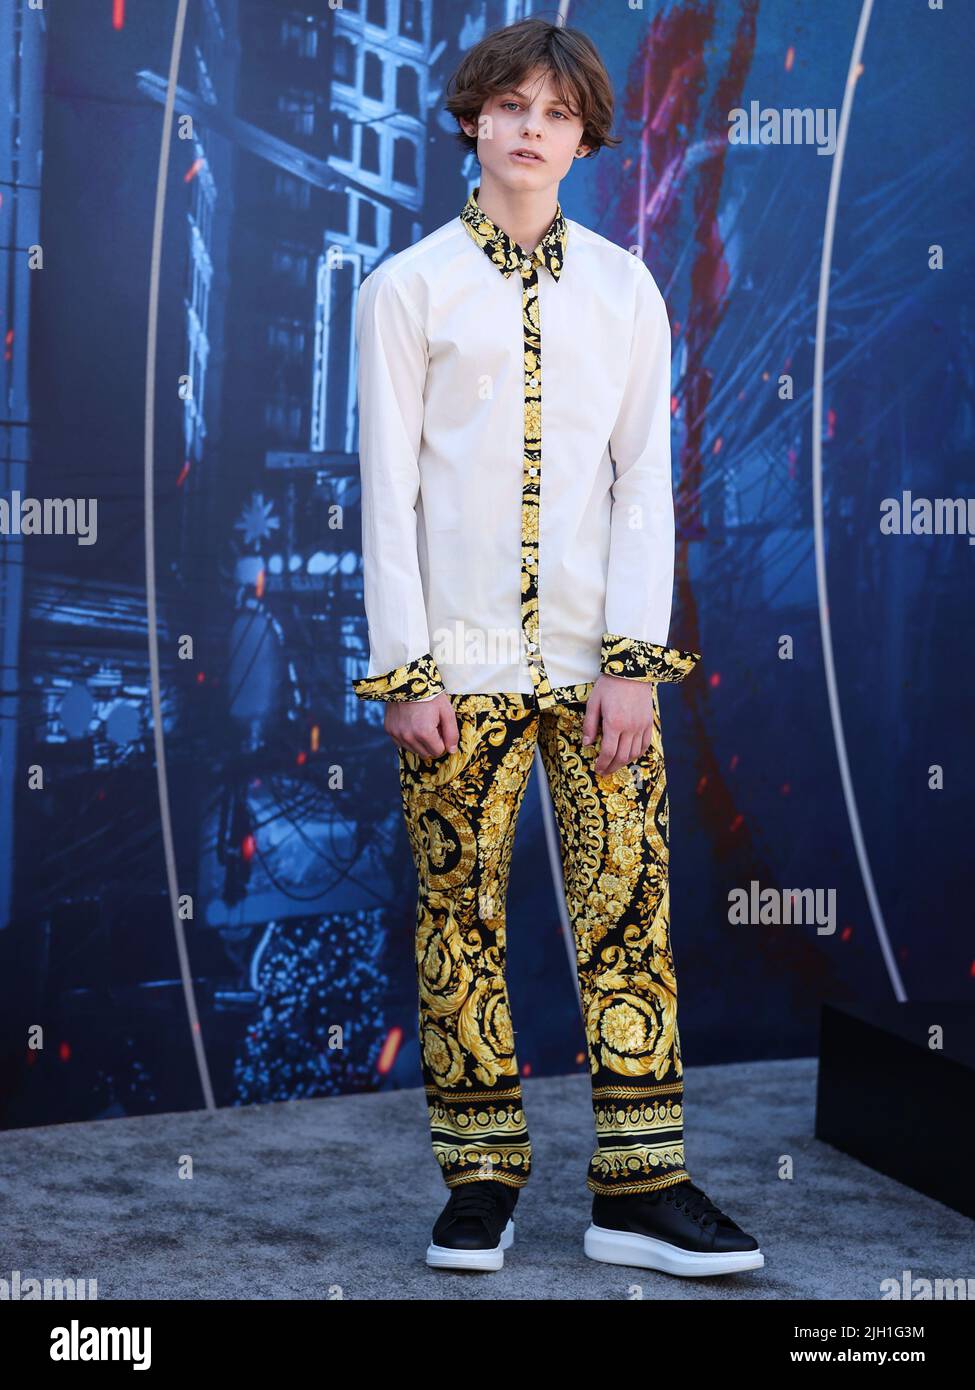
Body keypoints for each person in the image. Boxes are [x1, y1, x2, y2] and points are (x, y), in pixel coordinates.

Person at [351, 15, 763, 1279]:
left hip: (600, 673)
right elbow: (386, 494)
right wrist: (407, 670)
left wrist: (635, 659)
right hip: (457, 675)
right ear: (472, 120)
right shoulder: (405, 289)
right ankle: (478, 1186)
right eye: (510, 106)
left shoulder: (626, 290)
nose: (532, 128)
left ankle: (639, 1190)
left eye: (558, 112)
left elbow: (647, 487)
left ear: (585, 139)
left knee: (629, 913)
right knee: (459, 921)